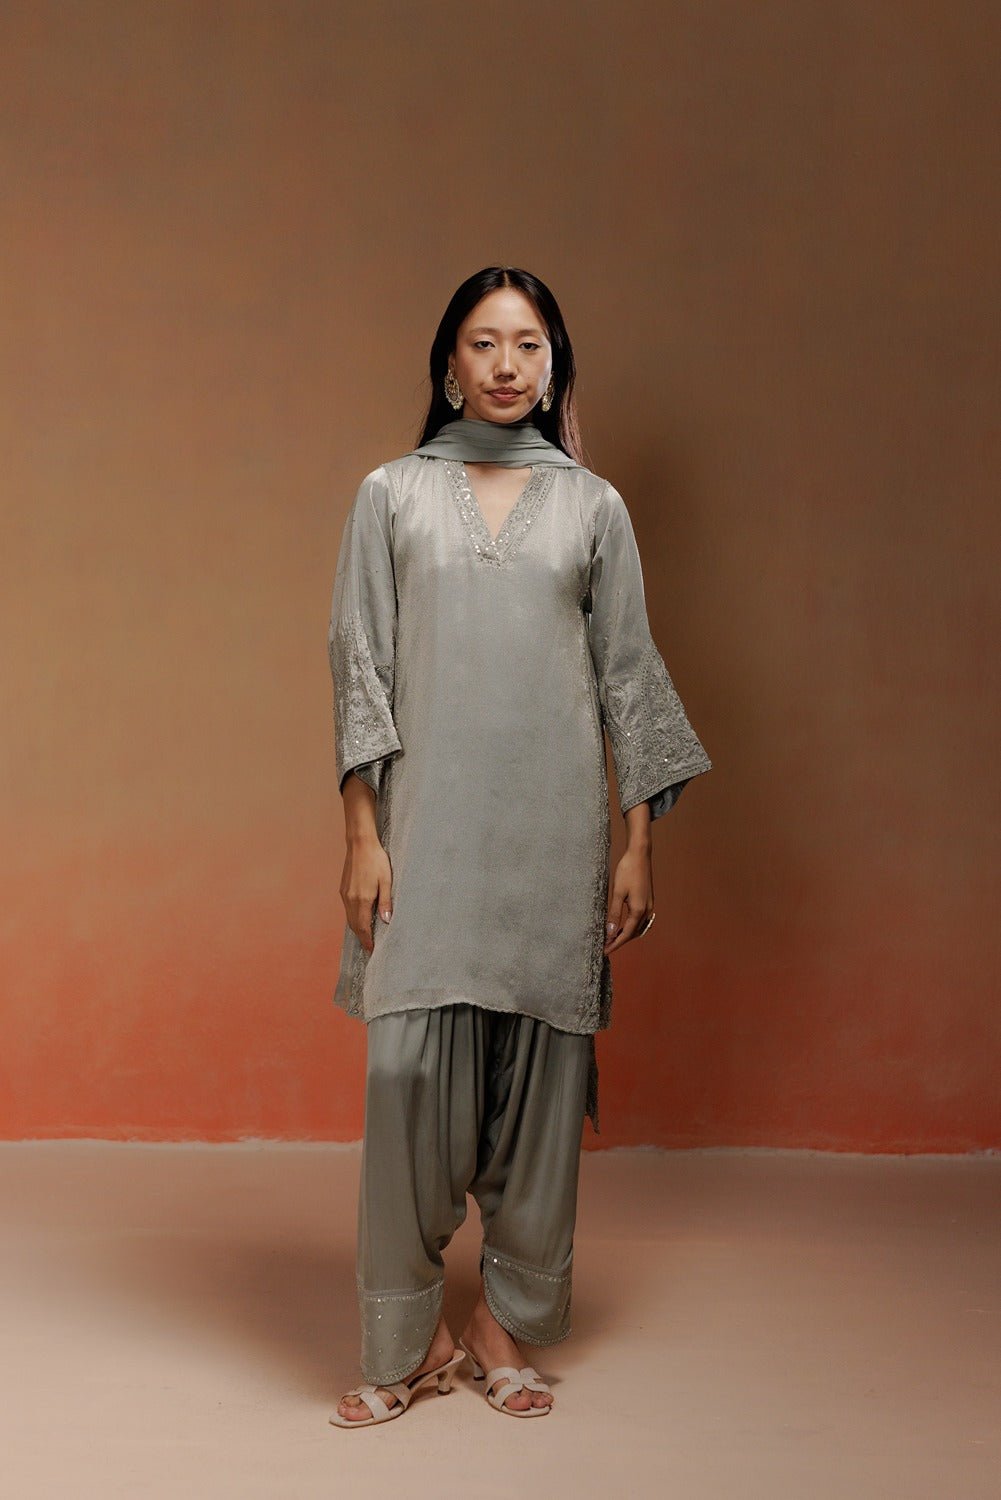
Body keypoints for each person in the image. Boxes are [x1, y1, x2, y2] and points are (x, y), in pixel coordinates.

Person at [326, 266, 712, 1426]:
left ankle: (500, 1325)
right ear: (447, 363)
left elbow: (627, 674)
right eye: (483, 342)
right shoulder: (391, 495)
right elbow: (359, 664)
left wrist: (635, 845)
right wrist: (360, 832)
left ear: (553, 368)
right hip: (425, 830)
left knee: (539, 1090)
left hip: (554, 832)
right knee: (406, 1077)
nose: (505, 364)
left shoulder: (593, 508)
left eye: (528, 345)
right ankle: (408, 1344)